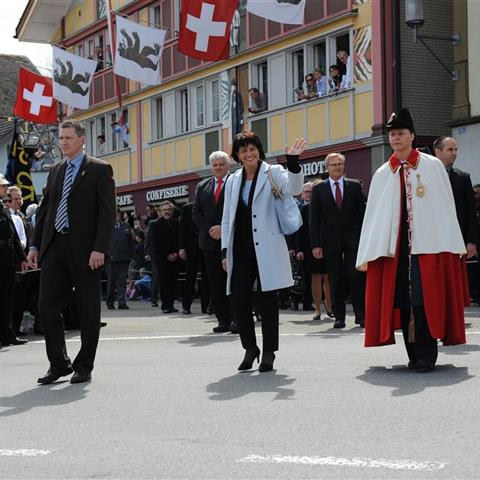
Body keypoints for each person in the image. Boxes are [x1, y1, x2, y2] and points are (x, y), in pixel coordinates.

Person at [356, 108, 468, 372]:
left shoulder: (432, 166)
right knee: (403, 301)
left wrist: (452, 241)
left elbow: (444, 208)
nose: (395, 138)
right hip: (397, 251)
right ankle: (412, 352)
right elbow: (375, 216)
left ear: (412, 136)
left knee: (425, 298)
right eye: (392, 134)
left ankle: (426, 355)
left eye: (400, 133)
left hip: (428, 247)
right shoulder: (383, 173)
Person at [27, 119, 116, 384]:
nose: (63, 142)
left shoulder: (100, 170)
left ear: (81, 140)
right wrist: (34, 245)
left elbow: (107, 213)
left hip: (87, 251)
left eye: (68, 138)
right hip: (55, 246)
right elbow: (46, 210)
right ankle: (59, 364)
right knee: (46, 306)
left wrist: (99, 248)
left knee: (88, 310)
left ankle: (84, 365)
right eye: (61, 138)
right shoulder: (55, 170)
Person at [221, 131, 305, 372]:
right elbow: (227, 218)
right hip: (239, 247)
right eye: (243, 150)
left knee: (268, 301)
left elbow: (295, 190)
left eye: (252, 149)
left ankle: (268, 352)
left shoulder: (274, 172)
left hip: (267, 244)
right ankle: (250, 348)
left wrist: (292, 162)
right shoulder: (233, 180)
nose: (248, 154)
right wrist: (224, 250)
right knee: (239, 298)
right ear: (237, 155)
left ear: (259, 151)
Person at [310, 153, 366, 328]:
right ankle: (339, 317)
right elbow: (314, 218)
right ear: (327, 168)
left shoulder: (354, 186)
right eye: (334, 164)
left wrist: (365, 239)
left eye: (340, 164)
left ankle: (361, 315)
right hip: (330, 241)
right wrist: (316, 244)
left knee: (355, 276)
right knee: (335, 279)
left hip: (353, 239)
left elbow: (362, 214)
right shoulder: (319, 189)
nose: (337, 167)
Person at [193, 151, 235, 333]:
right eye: (215, 165)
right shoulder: (202, 186)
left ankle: (236, 319)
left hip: (232, 241)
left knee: (233, 282)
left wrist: (223, 228)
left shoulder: (236, 182)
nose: (218, 168)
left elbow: (239, 209)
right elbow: (196, 213)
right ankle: (223, 320)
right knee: (216, 283)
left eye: (221, 164)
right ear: (211, 167)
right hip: (210, 242)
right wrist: (212, 228)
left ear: (228, 165)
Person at [433, 136, 478, 258]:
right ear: (437, 152)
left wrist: (472, 241)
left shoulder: (462, 178)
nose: (454, 153)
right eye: (450, 150)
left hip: (458, 241)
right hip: (433, 241)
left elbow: (471, 212)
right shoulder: (425, 176)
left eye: (456, 149)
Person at [296, 181, 333, 320]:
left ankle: (329, 306)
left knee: (328, 277)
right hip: (310, 247)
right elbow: (299, 230)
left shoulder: (328, 206)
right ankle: (317, 309)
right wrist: (298, 249)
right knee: (316, 277)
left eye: (312, 192)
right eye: (308, 192)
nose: (310, 194)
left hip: (328, 246)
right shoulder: (305, 209)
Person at [0, 174, 28, 346]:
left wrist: (22, 258)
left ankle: (7, 334)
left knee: (7, 299)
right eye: (3, 186)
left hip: (8, 261)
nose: (5, 189)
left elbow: (14, 236)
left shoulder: (4, 209)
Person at [148, 201, 179, 314]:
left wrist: (176, 253)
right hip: (161, 258)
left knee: (172, 282)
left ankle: (171, 305)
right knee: (164, 283)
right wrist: (167, 255)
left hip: (175, 258)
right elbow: (155, 243)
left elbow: (178, 240)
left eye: (169, 209)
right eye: (165, 210)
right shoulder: (154, 224)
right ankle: (165, 305)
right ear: (160, 211)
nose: (167, 212)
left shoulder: (176, 223)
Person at [178, 202, 209, 315]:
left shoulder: (208, 205)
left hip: (206, 246)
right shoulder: (187, 208)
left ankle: (206, 306)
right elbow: (182, 229)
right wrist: (181, 248)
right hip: (191, 248)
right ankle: (186, 306)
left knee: (207, 277)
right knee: (190, 277)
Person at [106, 208, 134, 310]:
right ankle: (110, 302)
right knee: (111, 282)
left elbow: (130, 242)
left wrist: (131, 256)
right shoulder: (107, 226)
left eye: (117, 213)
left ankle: (122, 302)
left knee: (122, 281)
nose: (116, 215)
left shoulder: (125, 226)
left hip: (124, 258)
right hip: (111, 259)